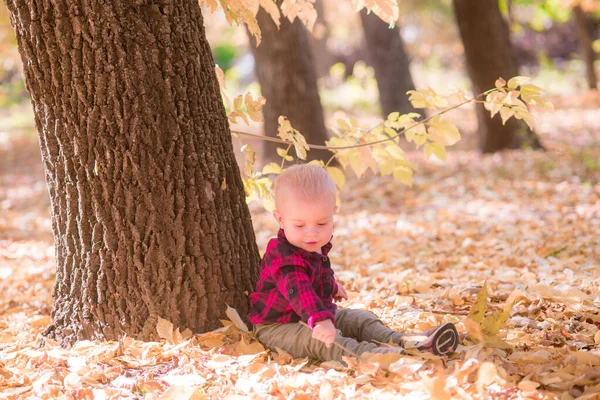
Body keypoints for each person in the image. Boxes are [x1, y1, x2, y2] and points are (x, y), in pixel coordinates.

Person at [248, 164, 458, 363]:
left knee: (359, 319)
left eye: (322, 223)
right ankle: (373, 356)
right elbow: (299, 289)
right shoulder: (282, 256)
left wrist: (331, 287)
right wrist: (320, 320)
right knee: (323, 342)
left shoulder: (312, 245)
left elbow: (317, 275)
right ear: (280, 219)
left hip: (315, 315)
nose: (311, 232)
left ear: (333, 214)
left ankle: (404, 341)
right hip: (277, 327)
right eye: (300, 224)